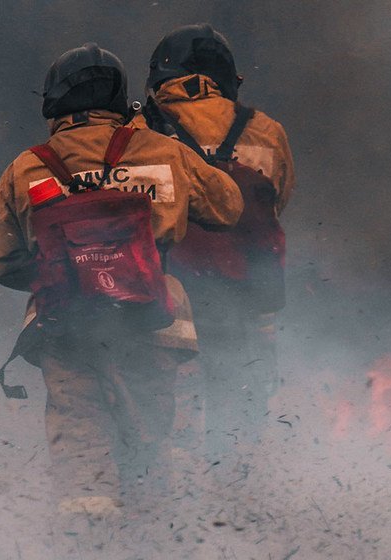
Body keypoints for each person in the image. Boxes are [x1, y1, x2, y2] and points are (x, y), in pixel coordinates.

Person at [0, 42, 242, 518]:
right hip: (156, 320)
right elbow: (228, 207)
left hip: (66, 324)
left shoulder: (27, 167)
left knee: (80, 433)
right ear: (121, 100)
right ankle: (169, 535)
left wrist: (63, 271)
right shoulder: (164, 152)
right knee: (159, 436)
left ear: (53, 102)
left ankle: (90, 536)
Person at [132, 24, 296, 467]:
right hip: (244, 294)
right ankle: (238, 509)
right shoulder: (266, 132)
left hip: (164, 297)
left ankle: (175, 511)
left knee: (169, 413)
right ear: (225, 77)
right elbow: (276, 200)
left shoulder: (136, 131)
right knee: (240, 411)